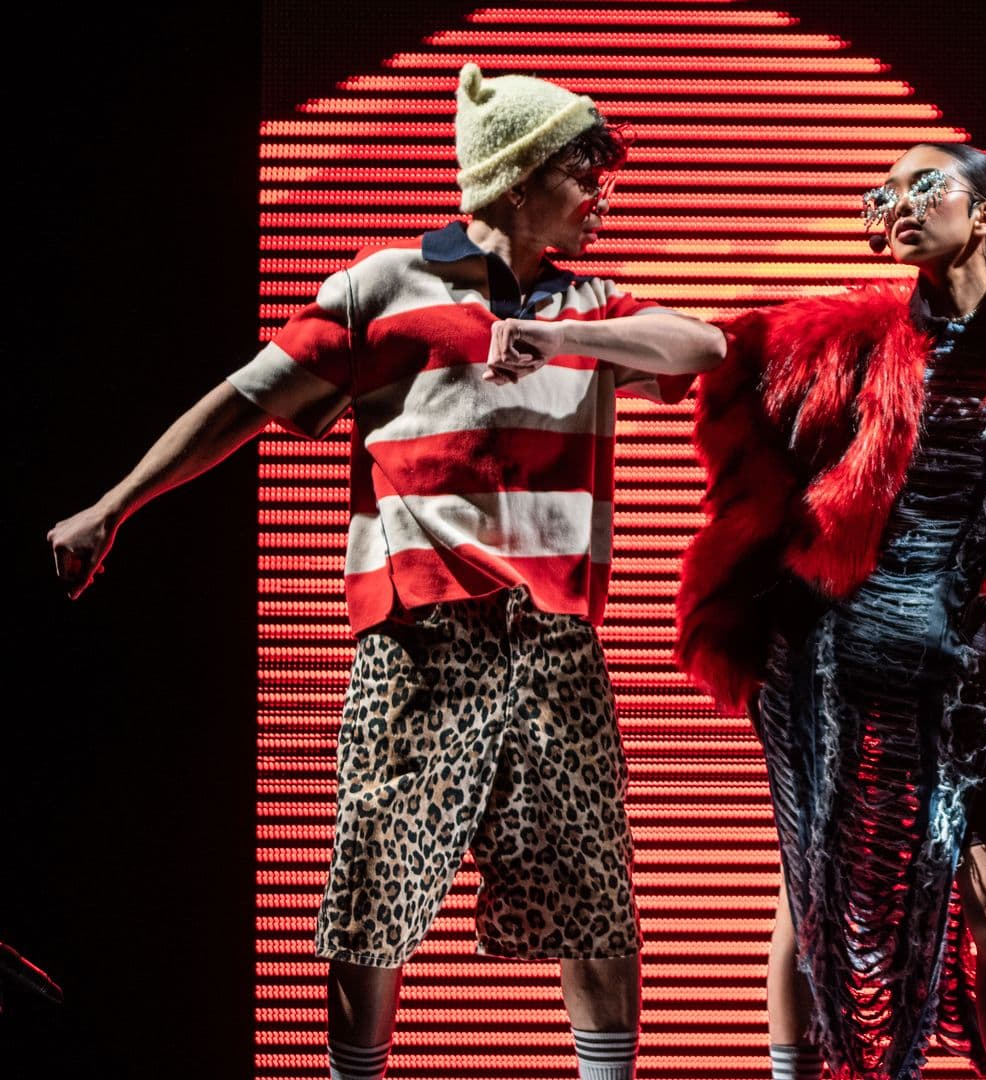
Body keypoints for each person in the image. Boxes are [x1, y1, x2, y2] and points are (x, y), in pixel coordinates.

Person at [45, 65, 725, 1080]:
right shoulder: (384, 286)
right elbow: (243, 400)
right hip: (416, 639)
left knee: (592, 897)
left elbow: (701, 345)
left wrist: (557, 335)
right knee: (371, 895)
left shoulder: (591, 302)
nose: (602, 192)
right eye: (584, 169)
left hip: (552, 644)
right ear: (519, 176)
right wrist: (113, 506)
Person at [674, 143, 986, 1080]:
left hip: (948, 662)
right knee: (809, 892)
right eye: (883, 192)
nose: (897, 204)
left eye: (924, 187)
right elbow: (712, 352)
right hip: (827, 654)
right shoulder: (835, 339)